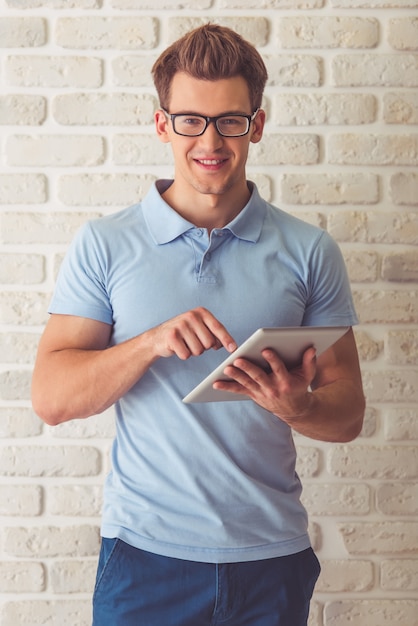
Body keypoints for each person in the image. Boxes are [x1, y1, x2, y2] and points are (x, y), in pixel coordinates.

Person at [32, 23, 365, 626]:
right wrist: (150, 343)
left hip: (271, 560)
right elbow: (52, 399)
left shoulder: (310, 250)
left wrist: (299, 408)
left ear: (256, 126)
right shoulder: (105, 244)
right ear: (163, 125)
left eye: (230, 121)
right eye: (190, 120)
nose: (210, 140)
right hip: (144, 562)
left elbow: (348, 413)